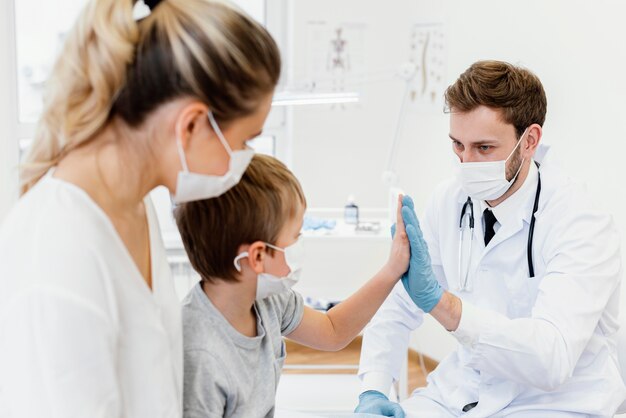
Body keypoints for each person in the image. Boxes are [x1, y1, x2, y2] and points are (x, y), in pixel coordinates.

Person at [0, 0, 281, 416]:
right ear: (191, 125)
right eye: (244, 141)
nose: (242, 161)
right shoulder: (60, 252)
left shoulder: (134, 207)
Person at [355, 60, 626, 417]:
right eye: (457, 145)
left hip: (556, 401)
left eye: (484, 148)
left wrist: (444, 305)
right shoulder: (449, 200)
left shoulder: (580, 221)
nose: (466, 163)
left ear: (529, 141)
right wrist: (373, 389)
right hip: (463, 389)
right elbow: (399, 305)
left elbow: (552, 359)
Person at [174, 154, 414, 417]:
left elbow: (332, 331)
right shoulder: (199, 355)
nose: (301, 244)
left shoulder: (267, 300)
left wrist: (393, 270)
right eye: (296, 235)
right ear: (257, 256)